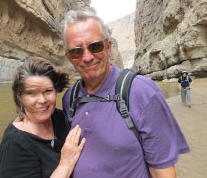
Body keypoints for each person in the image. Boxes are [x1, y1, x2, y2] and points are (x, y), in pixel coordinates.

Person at [62, 10, 190, 178]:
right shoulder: (69, 99)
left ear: (108, 48)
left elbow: (163, 173)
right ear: (69, 57)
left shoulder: (143, 92)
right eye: (77, 51)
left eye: (95, 47)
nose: (87, 57)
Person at [0, 57, 86, 178]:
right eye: (32, 93)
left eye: (48, 91)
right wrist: (66, 164)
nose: (42, 100)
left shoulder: (59, 117)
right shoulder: (14, 144)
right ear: (19, 97)